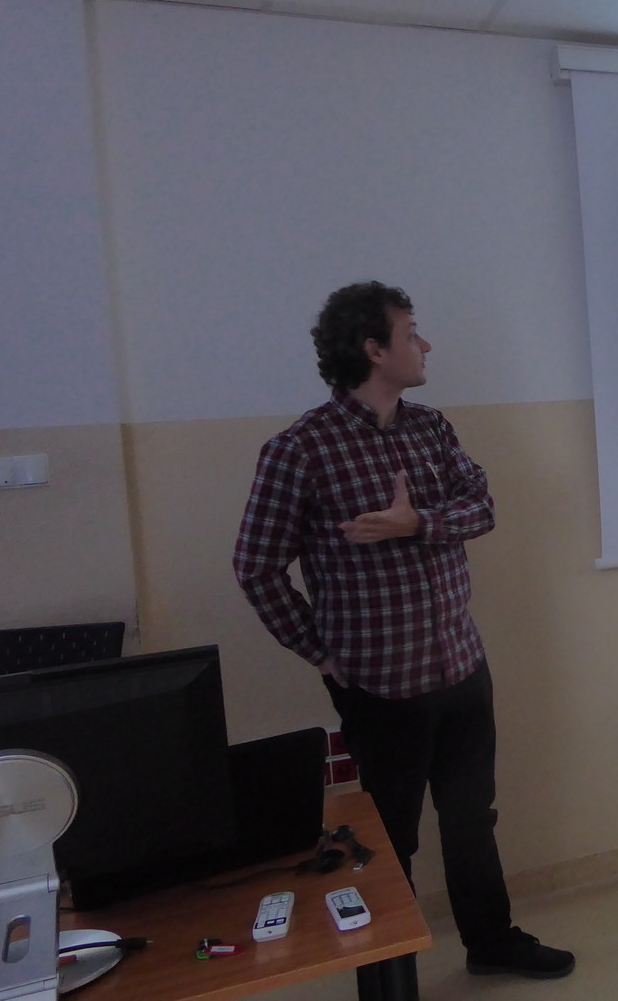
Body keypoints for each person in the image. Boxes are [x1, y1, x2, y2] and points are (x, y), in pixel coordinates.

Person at [233, 280, 573, 980]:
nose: (425, 344)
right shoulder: (301, 449)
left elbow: (482, 507)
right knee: (388, 841)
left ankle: (491, 942)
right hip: (380, 686)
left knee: (472, 817)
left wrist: (417, 523)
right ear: (374, 349)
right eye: (411, 332)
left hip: (460, 664)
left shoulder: (430, 428)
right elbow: (256, 566)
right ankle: (392, 978)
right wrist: (319, 651)